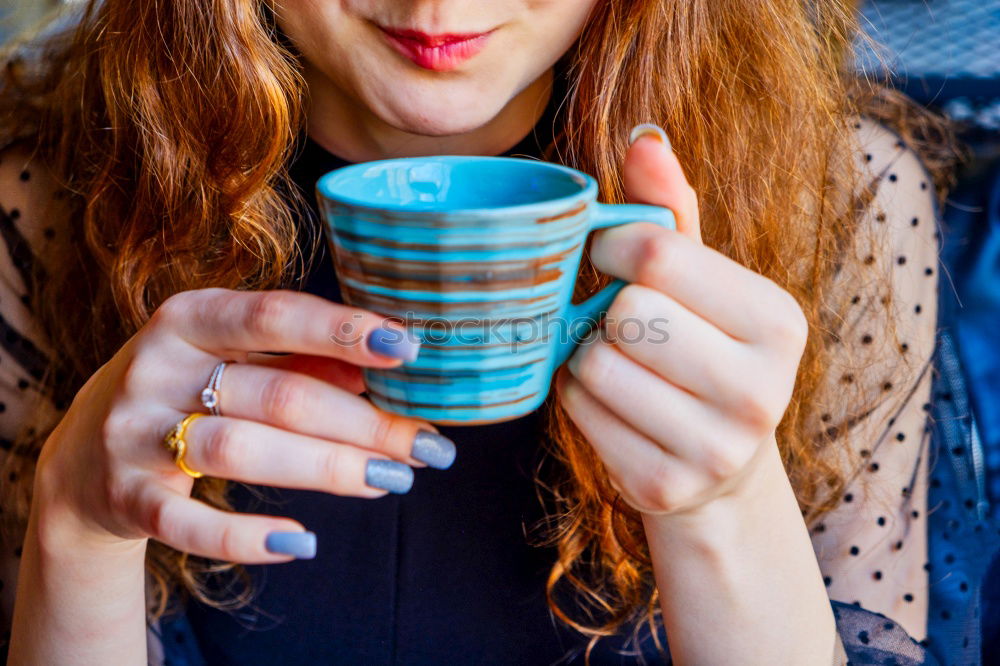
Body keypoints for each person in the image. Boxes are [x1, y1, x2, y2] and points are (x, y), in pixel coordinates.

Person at [0, 0, 965, 663]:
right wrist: (77, 530)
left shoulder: (843, 202)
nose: (438, 3)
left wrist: (726, 508)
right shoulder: (41, 204)